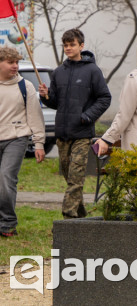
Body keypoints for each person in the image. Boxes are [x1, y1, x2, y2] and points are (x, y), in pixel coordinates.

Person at [38, 28, 111, 219]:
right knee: (69, 177)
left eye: (72, 44)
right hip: (62, 133)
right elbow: (55, 102)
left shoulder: (92, 71)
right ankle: (81, 216)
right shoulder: (59, 72)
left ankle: (68, 217)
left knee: (76, 178)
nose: (68, 48)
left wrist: (86, 116)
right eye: (66, 45)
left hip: (82, 133)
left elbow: (104, 98)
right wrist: (45, 96)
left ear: (81, 46)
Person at [0, 46, 46, 237]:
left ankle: (8, 223)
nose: (15, 66)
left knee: (6, 178)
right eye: (11, 62)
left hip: (16, 138)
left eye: (17, 62)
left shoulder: (25, 86)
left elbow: (35, 116)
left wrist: (39, 143)